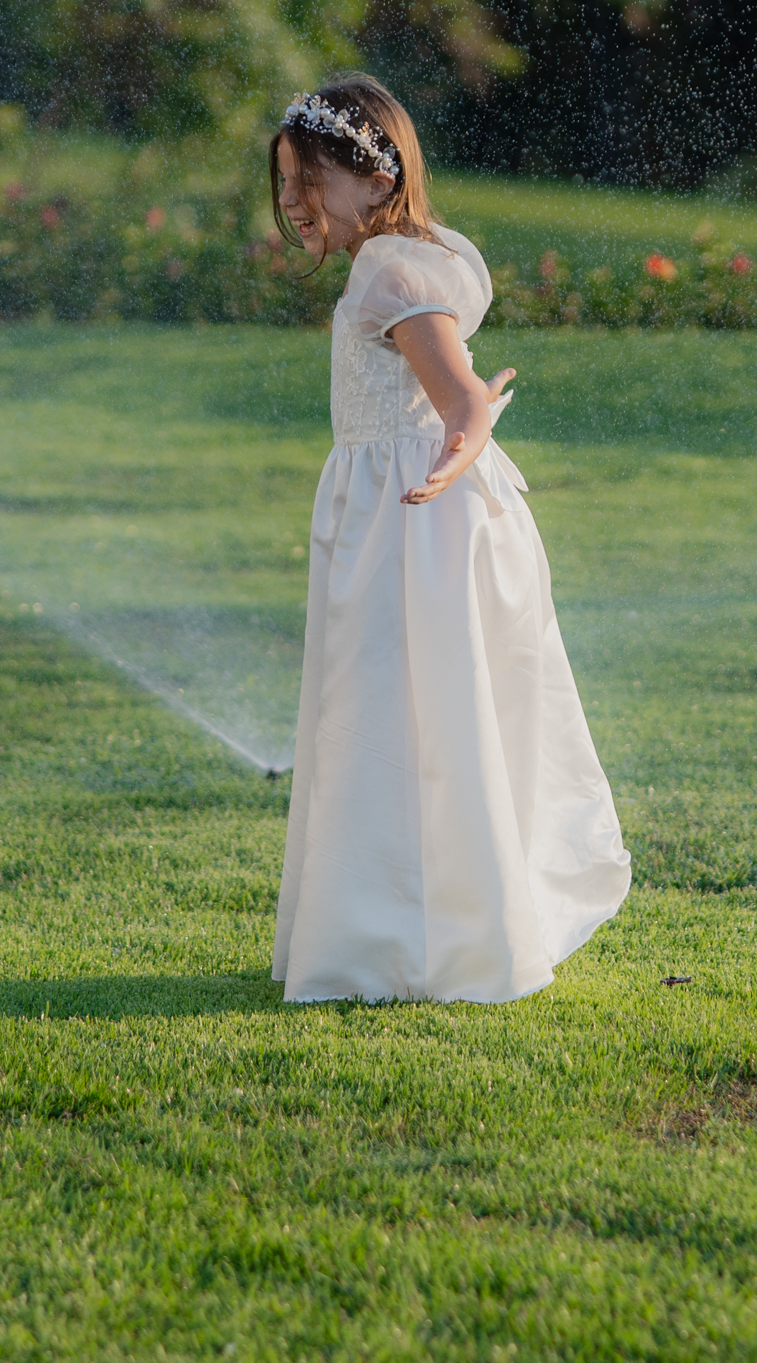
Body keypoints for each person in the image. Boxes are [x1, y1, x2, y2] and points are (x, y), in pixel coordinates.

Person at [270, 74, 630, 1004]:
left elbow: (459, 399)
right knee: (417, 713)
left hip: (411, 520)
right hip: (417, 504)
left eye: (309, 179)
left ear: (374, 177)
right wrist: (459, 438)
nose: (293, 203)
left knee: (401, 712)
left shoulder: (386, 270)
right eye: (282, 185)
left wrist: (455, 446)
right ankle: (407, 931)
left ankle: (406, 941)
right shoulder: (421, 255)